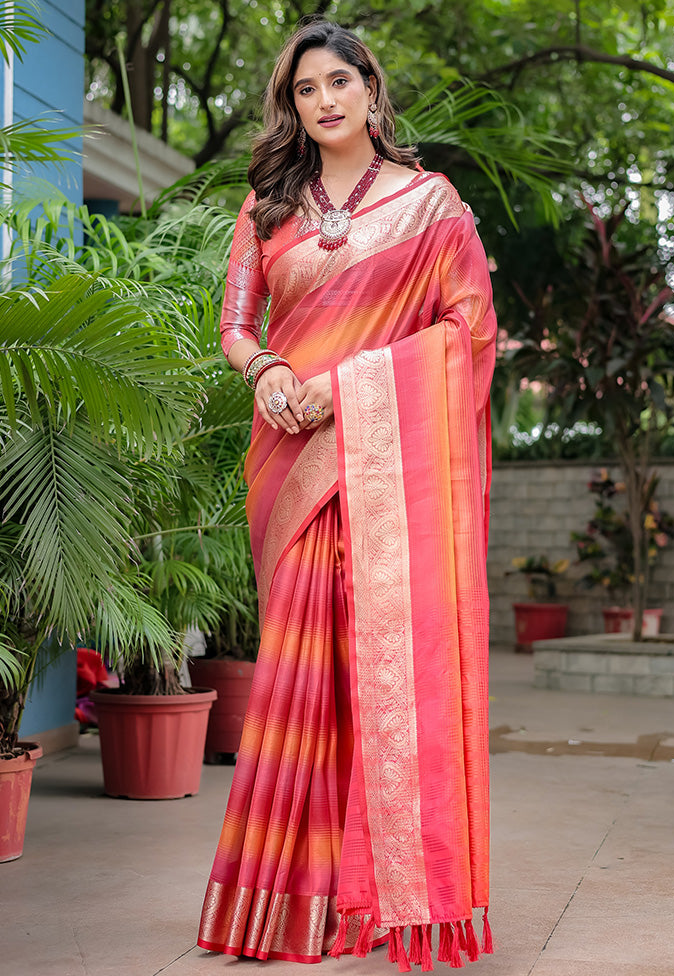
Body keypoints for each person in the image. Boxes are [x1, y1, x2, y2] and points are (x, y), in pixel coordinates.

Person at [197, 19, 497, 972]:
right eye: (304, 91)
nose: (324, 102)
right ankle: (285, 903)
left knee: (378, 679)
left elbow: (469, 333)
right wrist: (270, 372)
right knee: (297, 679)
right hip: (290, 466)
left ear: (371, 87)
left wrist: (347, 388)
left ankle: (382, 892)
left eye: (339, 82)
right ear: (292, 107)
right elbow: (236, 326)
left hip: (380, 469)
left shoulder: (430, 204)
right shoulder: (266, 207)